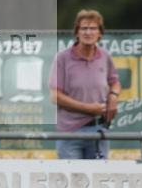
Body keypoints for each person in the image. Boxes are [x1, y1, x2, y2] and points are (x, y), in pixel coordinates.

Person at [48, 9, 121, 159]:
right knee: (71, 180)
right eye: (84, 28)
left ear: (100, 33)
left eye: (93, 28)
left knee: (98, 180)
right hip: (69, 132)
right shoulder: (62, 58)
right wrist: (88, 108)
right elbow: (55, 96)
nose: (88, 32)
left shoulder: (105, 56)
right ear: (77, 33)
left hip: (99, 129)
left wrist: (113, 96)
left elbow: (114, 82)